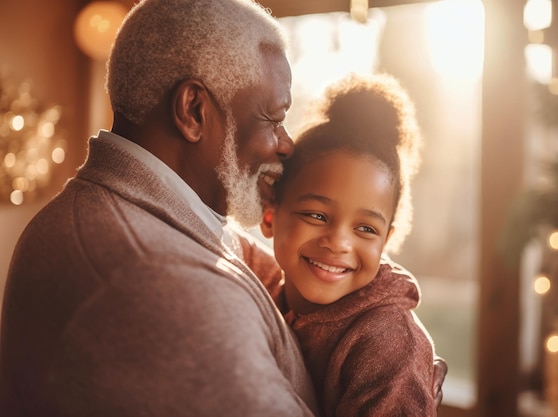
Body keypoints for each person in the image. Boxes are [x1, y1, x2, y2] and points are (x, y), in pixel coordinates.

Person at [0, 1, 446, 416]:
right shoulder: (161, 285)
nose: (286, 144)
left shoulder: (161, 219)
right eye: (273, 117)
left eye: (366, 228)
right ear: (194, 110)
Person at [256, 73, 441, 417]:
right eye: (317, 215)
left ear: (386, 241)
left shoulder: (387, 344)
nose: (339, 242)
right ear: (270, 215)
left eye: (365, 228)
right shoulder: (261, 294)